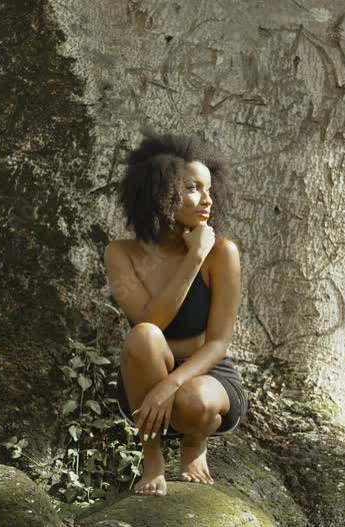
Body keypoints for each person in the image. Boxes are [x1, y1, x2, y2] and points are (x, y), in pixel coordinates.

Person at [103, 127, 248, 497]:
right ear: (160, 193)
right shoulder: (121, 254)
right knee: (144, 335)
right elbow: (151, 321)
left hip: (208, 373)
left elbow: (218, 343)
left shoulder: (222, 253)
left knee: (197, 403)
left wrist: (170, 385)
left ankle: (194, 441)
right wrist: (192, 258)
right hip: (145, 377)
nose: (207, 200)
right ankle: (152, 460)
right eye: (193, 188)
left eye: (210, 190)